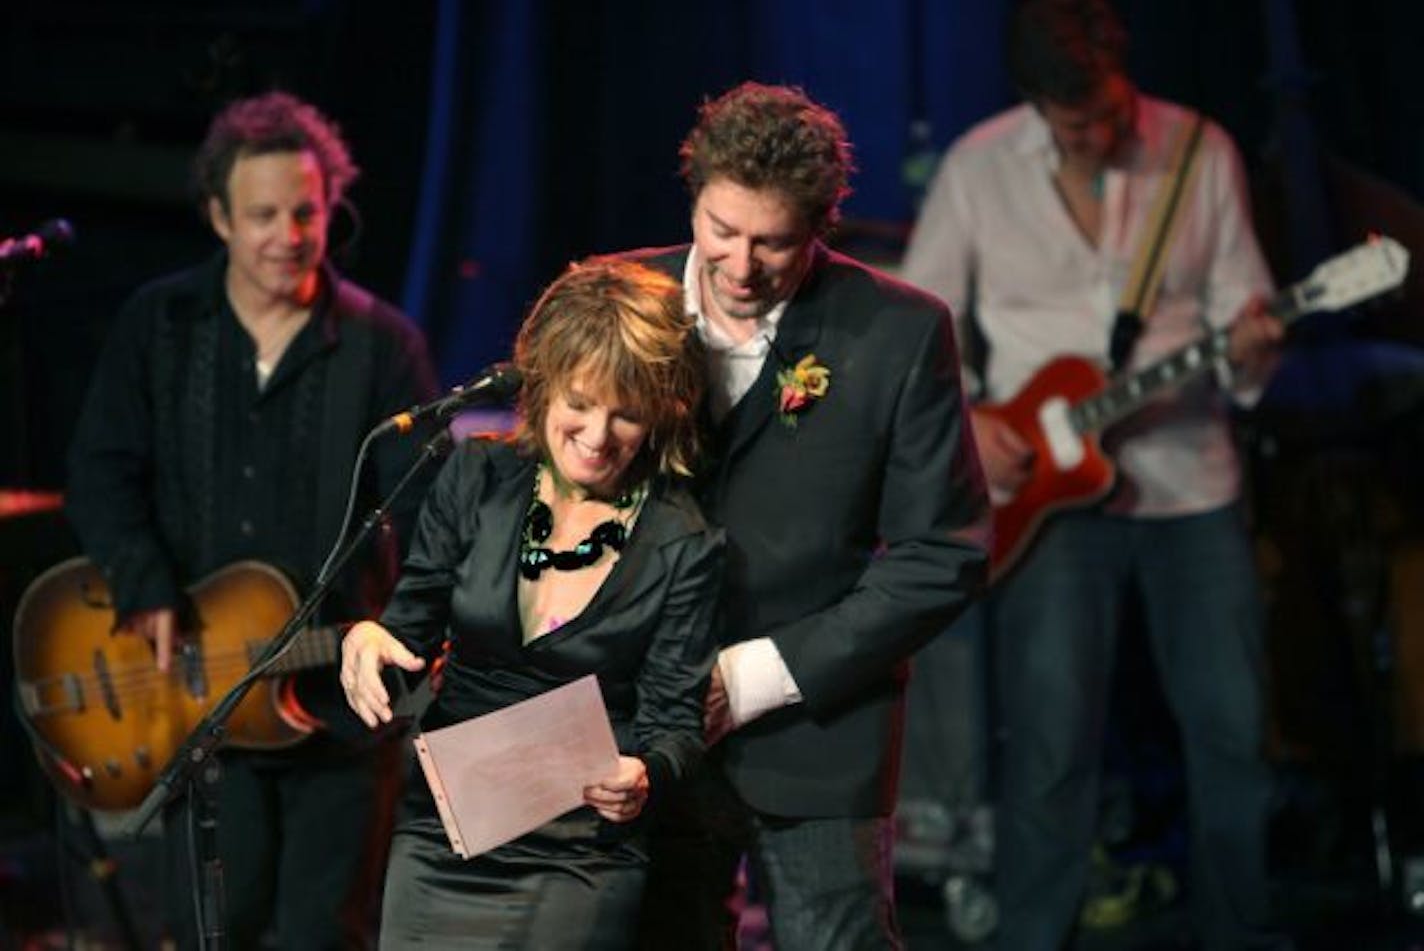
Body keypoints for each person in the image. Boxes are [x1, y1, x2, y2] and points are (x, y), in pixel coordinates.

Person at [900, 0, 1288, 947]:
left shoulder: (1199, 151)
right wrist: (977, 425)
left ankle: (1242, 931)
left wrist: (1251, 346)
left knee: (1233, 733)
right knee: (1051, 745)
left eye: (1114, 112)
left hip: (1191, 481)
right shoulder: (978, 169)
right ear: (1036, 104)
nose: (1106, 135)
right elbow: (921, 334)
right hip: (1050, 499)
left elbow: (1244, 311)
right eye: (1081, 124)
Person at [65, 91, 439, 948]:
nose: (288, 234)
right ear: (219, 218)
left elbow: (431, 514)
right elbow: (100, 471)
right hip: (195, 705)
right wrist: (145, 584)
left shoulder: (384, 344)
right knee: (215, 928)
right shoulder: (157, 324)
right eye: (263, 214)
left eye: (304, 212)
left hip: (341, 718)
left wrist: (415, 625)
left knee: (326, 930)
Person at [628, 82, 990, 949]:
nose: (742, 265)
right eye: (721, 231)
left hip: (820, 735)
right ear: (694, 196)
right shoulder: (615, 299)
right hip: (638, 726)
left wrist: (755, 676)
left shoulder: (899, 332)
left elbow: (942, 553)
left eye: (774, 243)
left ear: (820, 227)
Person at [339, 258, 723, 949]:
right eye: (580, 402)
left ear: (663, 410)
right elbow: (409, 627)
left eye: (626, 412)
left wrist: (647, 771)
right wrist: (368, 640)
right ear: (541, 386)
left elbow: (674, 723)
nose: (599, 435)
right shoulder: (479, 474)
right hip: (446, 830)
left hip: (580, 851)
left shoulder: (681, 538)